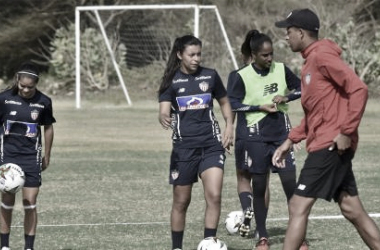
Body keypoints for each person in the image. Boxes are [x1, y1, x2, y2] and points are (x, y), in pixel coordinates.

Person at [273, 8, 380, 250]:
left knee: (297, 206)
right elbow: (316, 114)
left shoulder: (322, 56)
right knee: (352, 209)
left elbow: (359, 89)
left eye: (288, 32)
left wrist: (346, 132)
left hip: (330, 145)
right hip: (327, 142)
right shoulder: (310, 61)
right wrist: (290, 140)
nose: (285, 37)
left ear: (300, 32)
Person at [158, 35, 234, 250]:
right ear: (180, 55)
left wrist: (229, 126)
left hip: (211, 145)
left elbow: (225, 102)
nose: (196, 58)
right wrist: (163, 115)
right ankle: (177, 247)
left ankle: (209, 243)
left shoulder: (210, 76)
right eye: (191, 55)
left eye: (199, 54)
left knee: (215, 195)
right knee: (181, 201)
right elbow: (164, 108)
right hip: (183, 149)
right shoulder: (171, 80)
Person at [228, 30, 302, 250]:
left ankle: (299, 238)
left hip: (281, 136)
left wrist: (286, 96)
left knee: (292, 188)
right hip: (256, 138)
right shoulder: (241, 75)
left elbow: (302, 88)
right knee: (259, 187)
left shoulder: (280, 69)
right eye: (265, 55)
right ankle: (262, 237)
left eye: (272, 54)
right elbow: (233, 104)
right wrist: (257, 107)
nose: (270, 59)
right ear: (254, 54)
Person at [0, 62, 56, 250]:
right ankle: (5, 246)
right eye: (22, 86)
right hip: (8, 157)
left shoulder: (44, 102)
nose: (25, 90)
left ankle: (29, 248)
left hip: (31, 157)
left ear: (36, 84)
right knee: (7, 200)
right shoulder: (4, 99)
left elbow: (48, 128)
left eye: (30, 87)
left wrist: (47, 155)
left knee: (30, 202)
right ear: (17, 80)